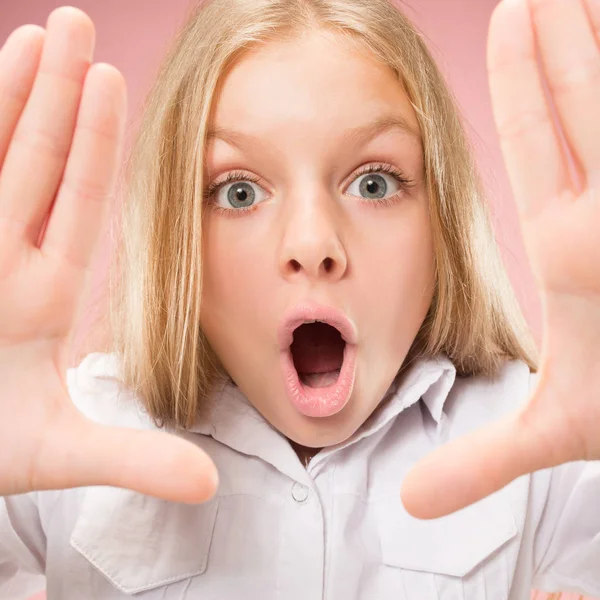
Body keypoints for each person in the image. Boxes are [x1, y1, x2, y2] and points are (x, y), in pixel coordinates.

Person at [1, 0, 599, 597]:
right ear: (175, 236)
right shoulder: (64, 431)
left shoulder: (539, 441)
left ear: (442, 223)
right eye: (238, 192)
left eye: (374, 182)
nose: (313, 244)